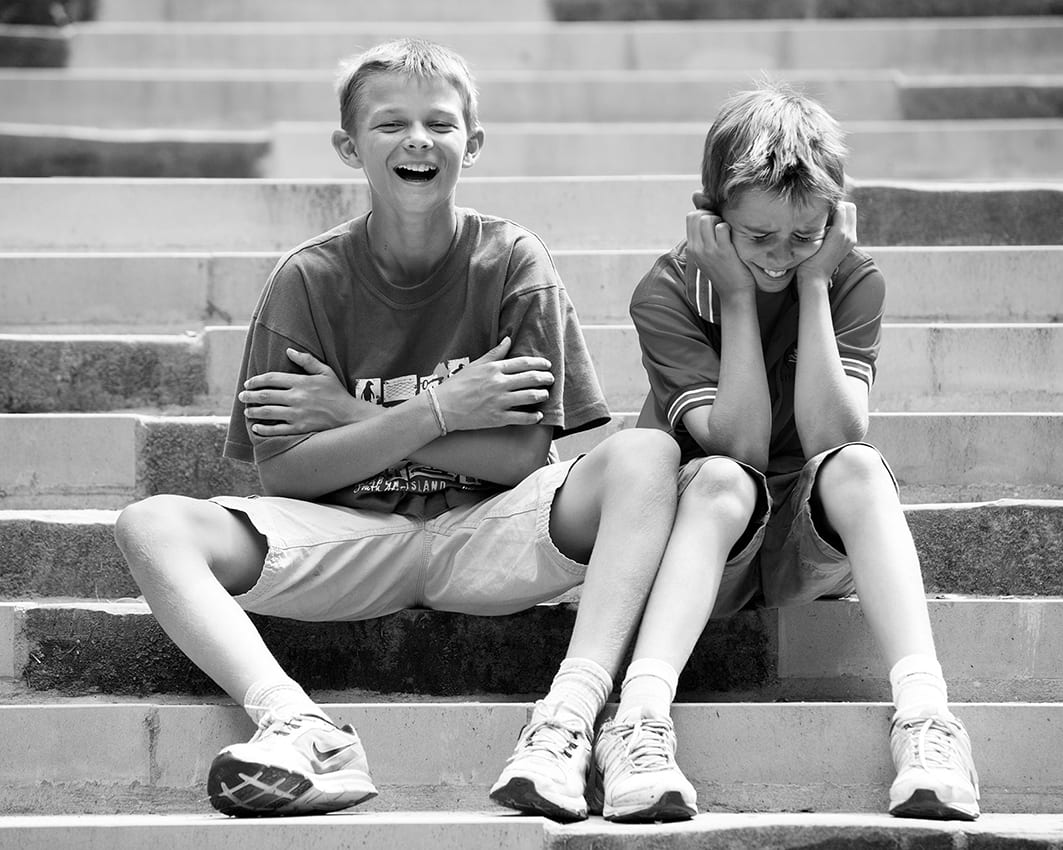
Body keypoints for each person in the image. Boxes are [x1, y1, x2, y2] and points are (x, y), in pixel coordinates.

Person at [113, 38, 679, 821]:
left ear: (471, 144)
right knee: (150, 523)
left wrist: (352, 416)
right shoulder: (307, 280)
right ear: (350, 147)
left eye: (440, 124)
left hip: (491, 531)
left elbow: (519, 456)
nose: (417, 139)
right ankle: (297, 725)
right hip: (346, 533)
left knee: (648, 453)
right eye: (389, 125)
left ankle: (568, 718)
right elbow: (286, 473)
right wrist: (442, 409)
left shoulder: (511, 261)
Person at [591, 81, 980, 824]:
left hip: (802, 543)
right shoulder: (669, 290)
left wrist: (811, 285)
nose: (778, 255)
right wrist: (737, 298)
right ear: (710, 218)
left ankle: (927, 720)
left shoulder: (849, 278)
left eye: (803, 236)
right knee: (718, 481)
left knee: (861, 467)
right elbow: (734, 444)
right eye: (757, 237)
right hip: (704, 550)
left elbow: (837, 435)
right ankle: (638, 715)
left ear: (833, 219)